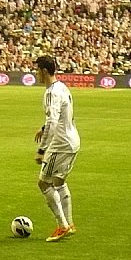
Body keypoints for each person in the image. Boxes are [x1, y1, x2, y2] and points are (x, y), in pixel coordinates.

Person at [33, 55, 80, 242]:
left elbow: (53, 121)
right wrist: (43, 128)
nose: (36, 74)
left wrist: (42, 149)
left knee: (44, 183)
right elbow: (60, 116)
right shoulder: (62, 87)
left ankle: (62, 225)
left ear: (44, 72)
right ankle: (70, 224)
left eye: (37, 70)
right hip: (73, 141)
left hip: (60, 144)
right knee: (59, 182)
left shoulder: (51, 92)